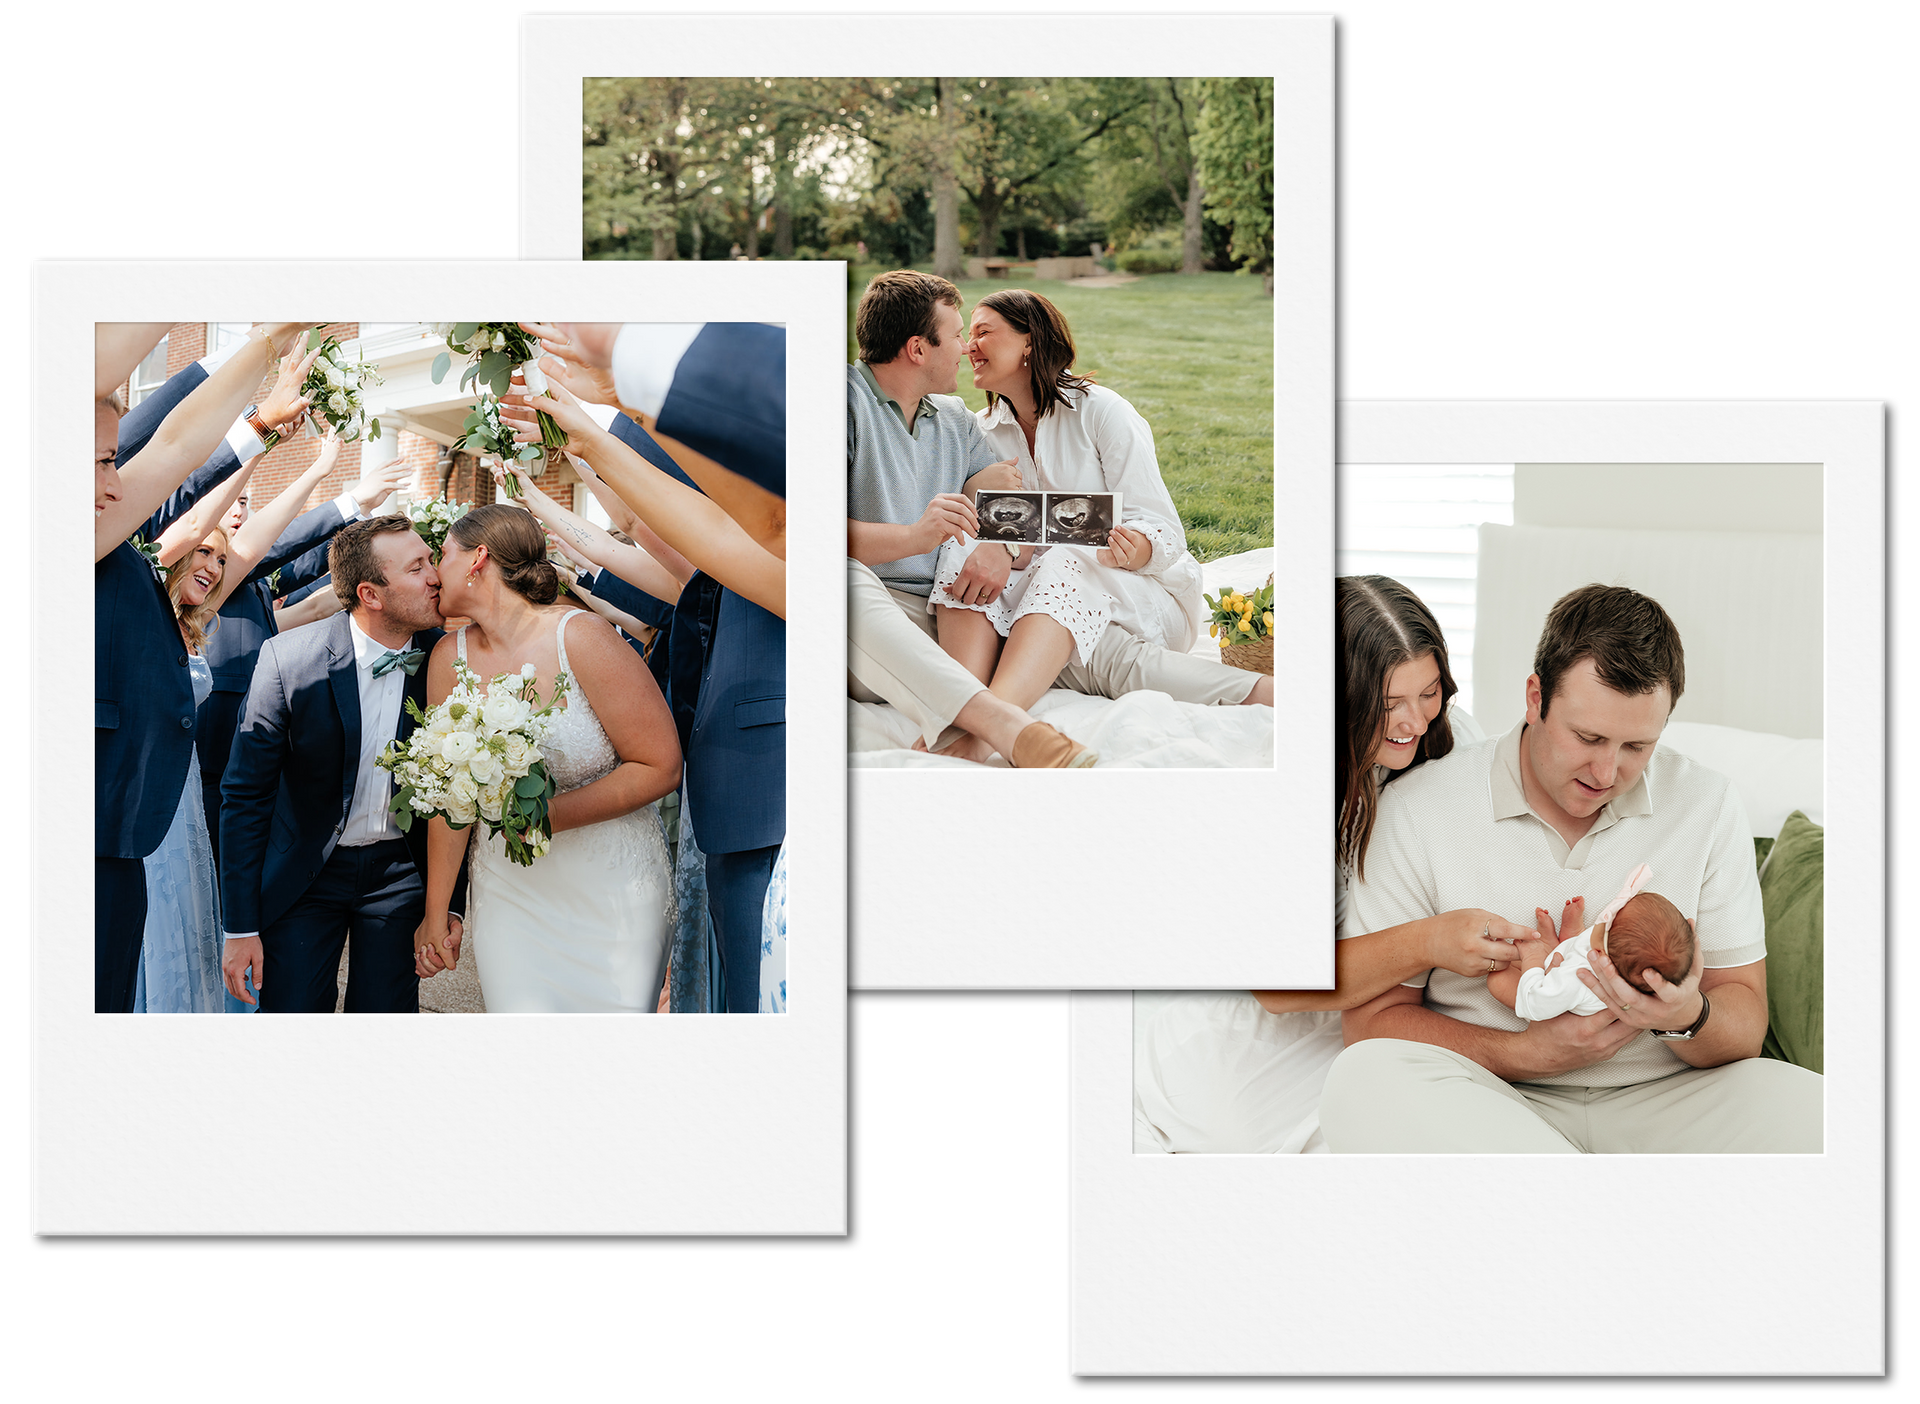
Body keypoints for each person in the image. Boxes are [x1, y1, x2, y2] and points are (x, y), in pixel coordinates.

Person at [1317, 583, 1824, 1152]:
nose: (1607, 772)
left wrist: (1687, 1014)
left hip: (1671, 1096)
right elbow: (1371, 1024)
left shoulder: (1706, 804)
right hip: (1489, 1097)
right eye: (1588, 737)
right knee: (1363, 1080)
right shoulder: (1418, 807)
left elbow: (1744, 1017)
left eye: (1637, 746)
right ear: (1535, 698)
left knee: (1827, 1118)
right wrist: (1529, 1055)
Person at [1134, 575, 1531, 1151]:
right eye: (1389, 704)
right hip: (1293, 1012)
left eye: (1429, 692)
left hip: (1398, 992)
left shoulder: (1447, 739)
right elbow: (1277, 988)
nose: (1415, 722)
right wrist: (1427, 943)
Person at [497, 364, 785, 1013]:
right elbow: (635, 536)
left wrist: (594, 426)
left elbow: (640, 530)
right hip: (725, 784)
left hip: (760, 778)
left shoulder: (762, 540)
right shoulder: (719, 566)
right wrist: (568, 463)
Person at [922, 288, 1273, 763]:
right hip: (1046, 608)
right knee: (961, 547)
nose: (968, 346)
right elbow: (1008, 543)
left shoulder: (1102, 411)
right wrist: (996, 542)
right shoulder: (983, 430)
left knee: (1068, 560)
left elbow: (1163, 529)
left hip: (1141, 594)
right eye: (968, 335)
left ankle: (986, 727)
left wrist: (1140, 549)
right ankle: (963, 703)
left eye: (984, 332)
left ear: (1029, 342)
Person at [96, 320, 320, 1012]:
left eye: (112, 461)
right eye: (104, 460)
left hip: (129, 831)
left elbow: (173, 446)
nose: (117, 477)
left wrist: (265, 342)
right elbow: (171, 453)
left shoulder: (105, 537)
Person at [413, 506, 681, 1013]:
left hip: (612, 893)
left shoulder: (582, 636)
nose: (432, 572)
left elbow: (660, 765)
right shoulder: (450, 658)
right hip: (511, 897)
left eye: (441, 555)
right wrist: (436, 911)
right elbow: (450, 799)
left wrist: (545, 817)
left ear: (478, 559)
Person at [843, 271, 1101, 768]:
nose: (965, 348)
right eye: (958, 334)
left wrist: (1002, 543)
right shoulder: (842, 406)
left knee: (1092, 632)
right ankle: (1005, 728)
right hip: (870, 615)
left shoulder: (954, 416)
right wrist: (915, 537)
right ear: (918, 349)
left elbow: (1004, 494)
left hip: (951, 617)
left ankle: (1256, 690)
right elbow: (801, 535)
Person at [218, 515, 466, 1013]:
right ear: (371, 594)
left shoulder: (451, 662)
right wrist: (240, 927)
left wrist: (449, 904)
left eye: (431, 560)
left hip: (401, 875)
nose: (436, 575)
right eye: (417, 567)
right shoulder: (287, 661)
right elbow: (245, 797)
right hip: (303, 873)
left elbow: (460, 791)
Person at [136, 432, 347, 1012]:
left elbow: (249, 549)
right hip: (144, 796)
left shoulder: (190, 621)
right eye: (201, 551)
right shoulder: (143, 595)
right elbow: (232, 533)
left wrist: (319, 467)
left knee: (196, 931)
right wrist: (258, 439)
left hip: (186, 813)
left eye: (219, 559)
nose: (213, 566)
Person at [1489, 863, 1696, 1020]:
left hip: (1553, 992)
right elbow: (1603, 939)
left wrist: (1532, 961)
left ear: (1602, 951)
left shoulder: (1576, 978)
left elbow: (1536, 1004)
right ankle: (1564, 940)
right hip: (1573, 964)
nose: (1609, 913)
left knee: (1499, 980)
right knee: (1580, 945)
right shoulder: (1616, 950)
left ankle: (1544, 953)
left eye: (1610, 918)